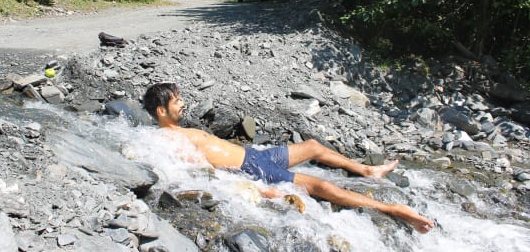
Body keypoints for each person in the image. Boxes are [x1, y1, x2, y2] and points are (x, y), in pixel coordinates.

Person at [143, 82, 434, 233]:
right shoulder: (171, 140)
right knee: (322, 187)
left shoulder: (182, 130)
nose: (183, 104)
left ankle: (367, 171)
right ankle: (392, 209)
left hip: (256, 155)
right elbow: (206, 175)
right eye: (177, 101)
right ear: (161, 111)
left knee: (312, 146)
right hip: (252, 171)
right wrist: (261, 190)